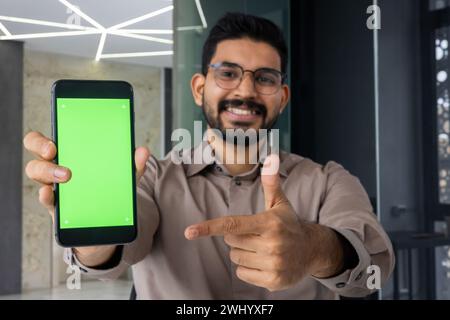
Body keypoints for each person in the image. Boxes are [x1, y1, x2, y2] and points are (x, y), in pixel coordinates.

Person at [23, 12, 394, 299]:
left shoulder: (328, 181)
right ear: (200, 88)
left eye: (264, 78)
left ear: (281, 96)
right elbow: (107, 257)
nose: (246, 91)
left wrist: (311, 248)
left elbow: (375, 266)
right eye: (228, 73)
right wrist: (90, 216)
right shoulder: (151, 177)